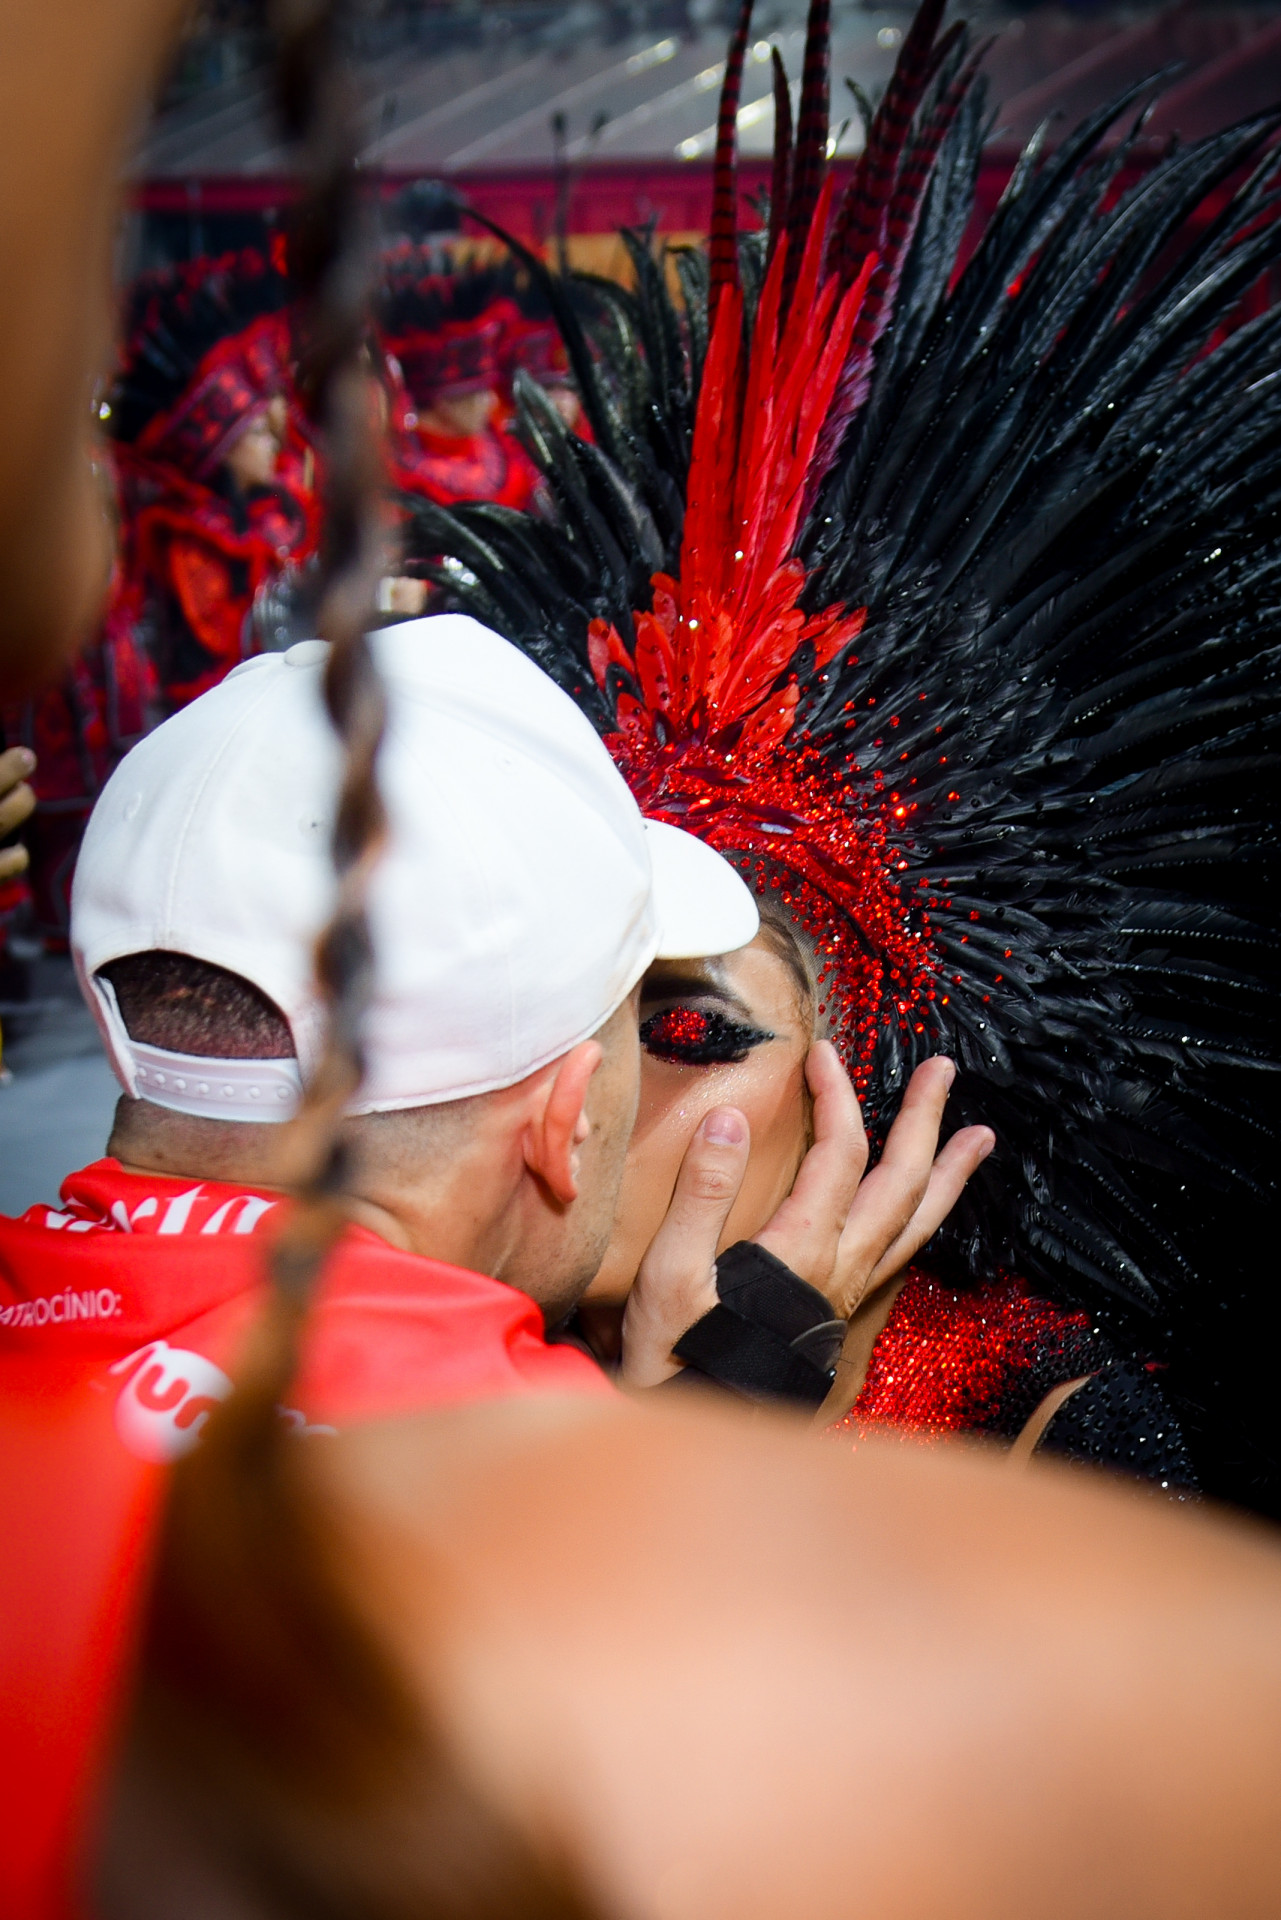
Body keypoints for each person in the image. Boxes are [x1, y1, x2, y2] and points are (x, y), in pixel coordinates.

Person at [411, 0, 1281, 1509]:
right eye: (562, 997)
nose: (583, 1083)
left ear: (879, 1110)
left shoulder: (1052, 1442)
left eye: (685, 1034)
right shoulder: (423, 1374)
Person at [107, 248, 319, 713]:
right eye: (258, 432)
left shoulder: (283, 510)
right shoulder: (189, 545)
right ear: (219, 447)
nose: (275, 442)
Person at [380, 259, 539, 511]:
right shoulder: (396, 472)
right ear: (443, 400)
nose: (490, 402)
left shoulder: (505, 449)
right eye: (477, 393)